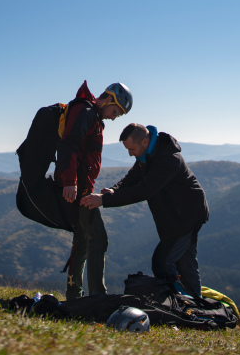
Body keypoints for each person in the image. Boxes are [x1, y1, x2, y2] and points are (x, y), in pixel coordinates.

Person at [80, 123, 209, 299]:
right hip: (176, 218)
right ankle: (195, 304)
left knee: (164, 262)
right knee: (184, 262)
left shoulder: (168, 159)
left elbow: (145, 190)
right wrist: (113, 190)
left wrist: (104, 200)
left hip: (186, 217)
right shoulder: (146, 157)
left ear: (145, 141)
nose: (130, 153)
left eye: (131, 149)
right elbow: (132, 178)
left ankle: (179, 302)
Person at [56, 80, 132, 300]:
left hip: (81, 186)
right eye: (116, 111)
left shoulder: (91, 115)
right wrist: (70, 182)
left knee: (82, 239)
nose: (115, 117)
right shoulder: (86, 112)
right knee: (98, 238)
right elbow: (69, 143)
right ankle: (97, 297)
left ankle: (75, 295)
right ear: (108, 99)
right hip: (77, 188)